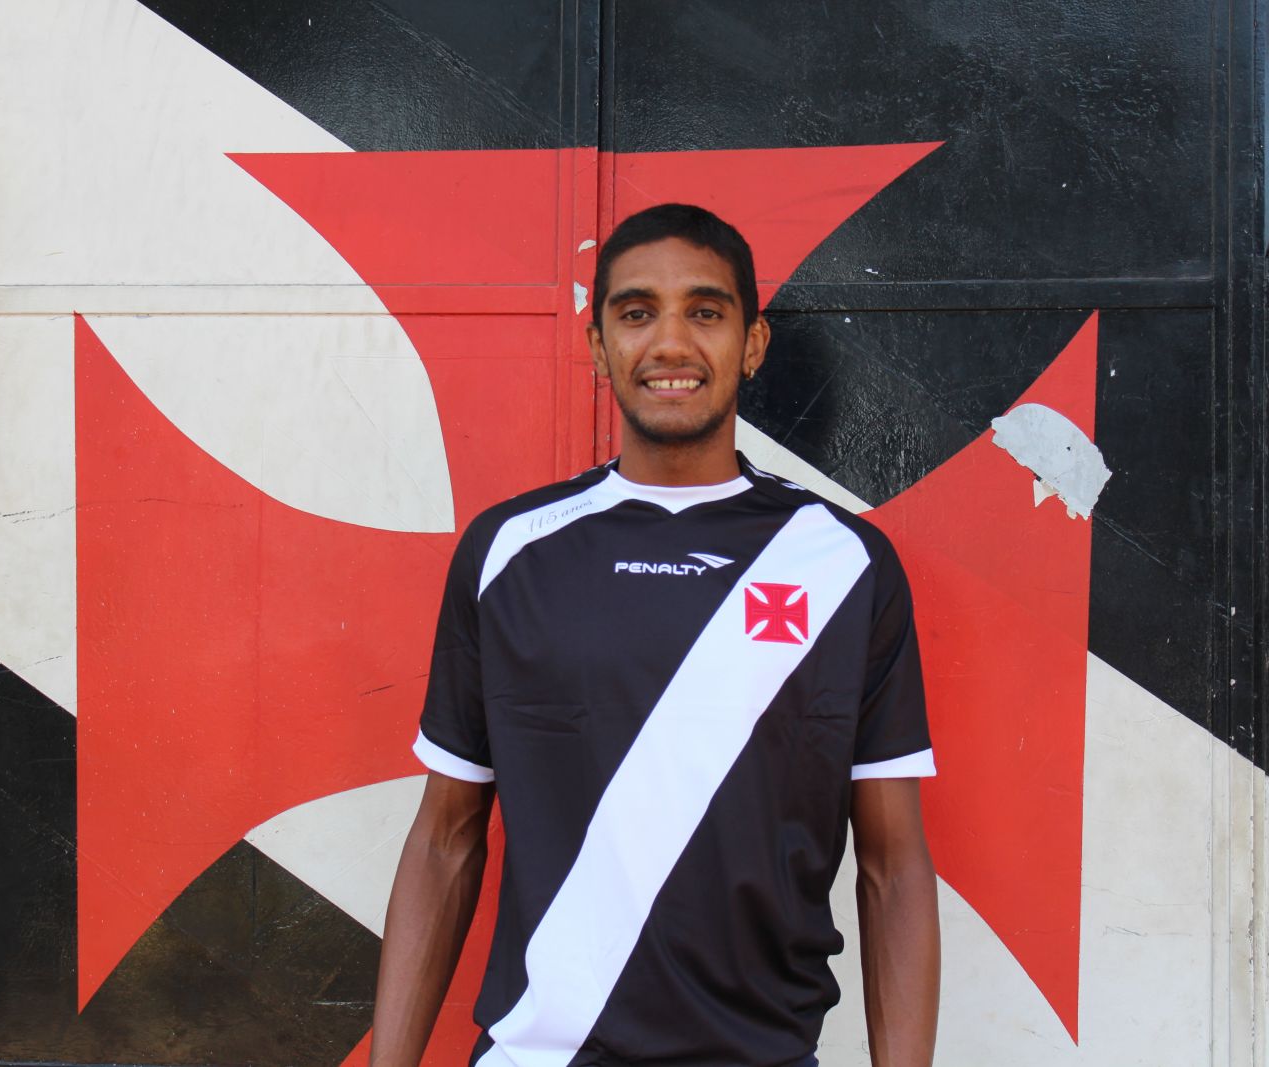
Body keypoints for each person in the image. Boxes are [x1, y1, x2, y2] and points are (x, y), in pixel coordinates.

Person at [370, 203, 940, 1067]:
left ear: (753, 342)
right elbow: (445, 837)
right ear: (598, 345)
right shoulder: (509, 552)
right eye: (637, 313)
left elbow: (893, 869)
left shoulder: (842, 564)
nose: (671, 343)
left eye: (705, 312)